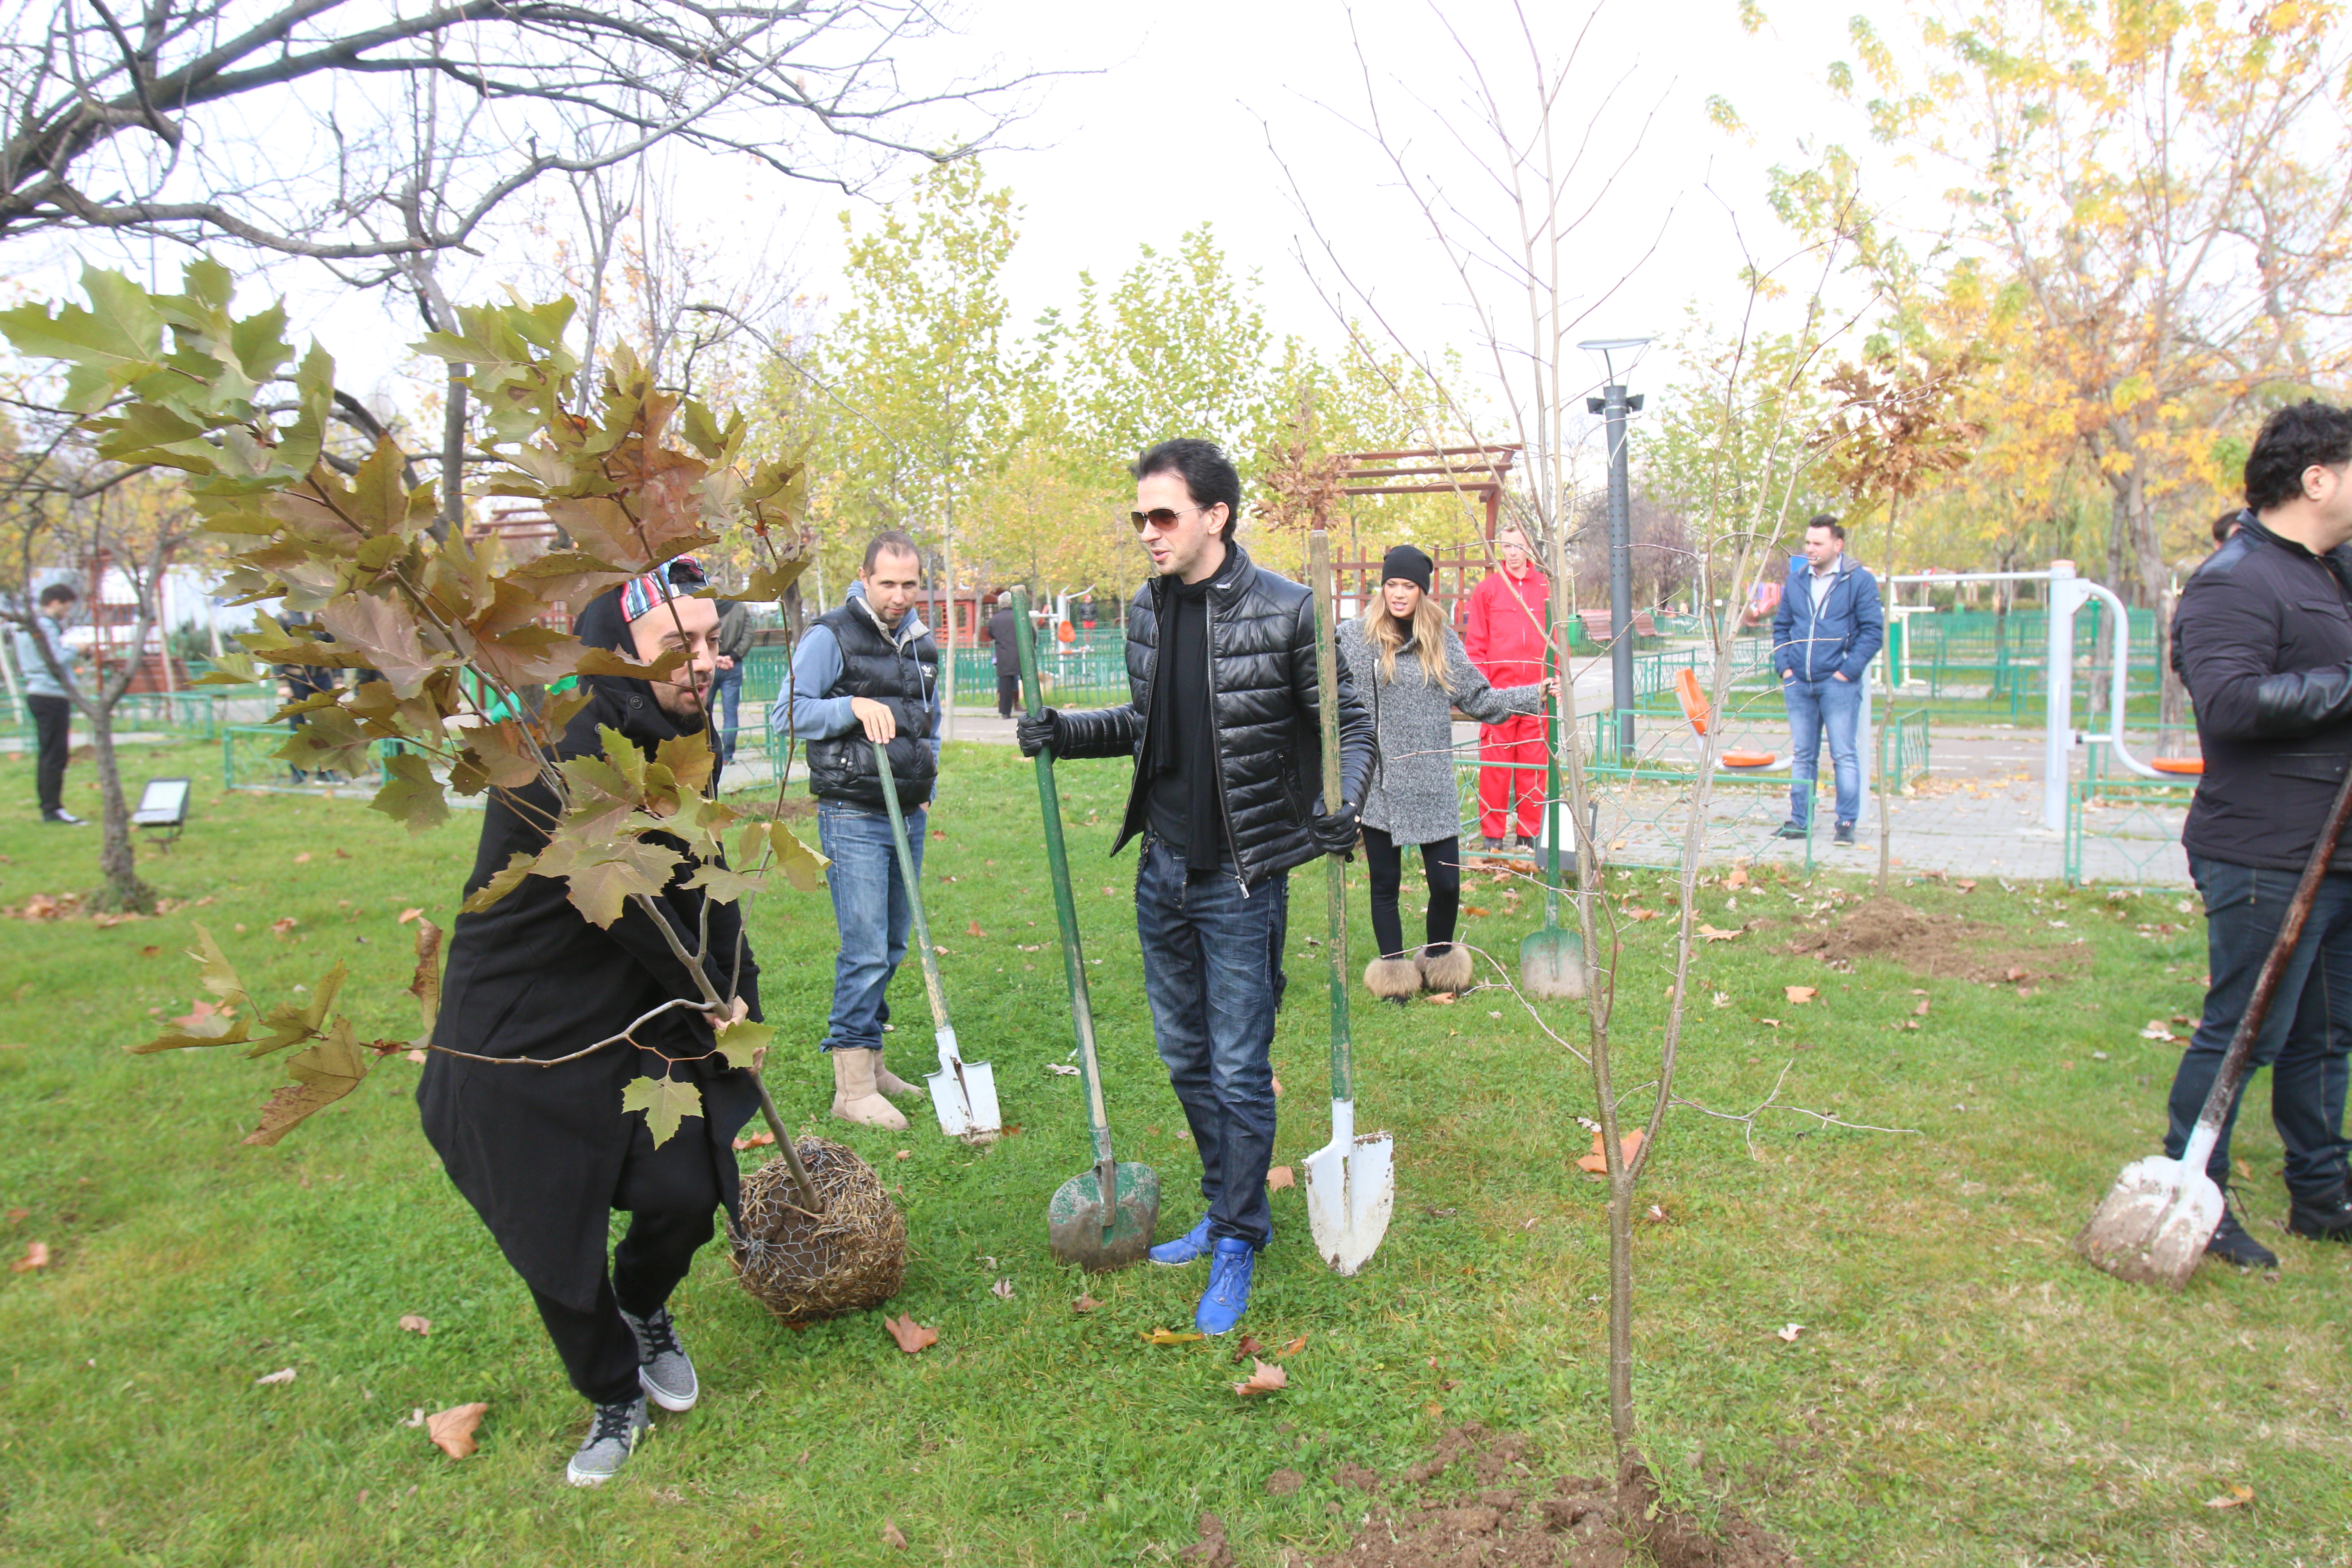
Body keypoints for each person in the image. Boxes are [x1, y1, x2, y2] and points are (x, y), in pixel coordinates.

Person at [1017, 438, 1373, 1336]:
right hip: (1162, 869)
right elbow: (1147, 726)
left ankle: (1241, 1237)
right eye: (1139, 517)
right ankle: (1225, 1207)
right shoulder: (1146, 611)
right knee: (1184, 1057)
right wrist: (1064, 729)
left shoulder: (1289, 612)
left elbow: (1350, 724)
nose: (1148, 532)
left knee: (1238, 1067)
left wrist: (1344, 802)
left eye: (1164, 515)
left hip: (1244, 876)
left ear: (1215, 516)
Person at [418, 555, 761, 1486]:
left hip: (632, 1002)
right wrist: (714, 997)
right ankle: (613, 1390)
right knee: (549, 1223)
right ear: (618, 657)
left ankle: (644, 1305)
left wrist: (743, 993)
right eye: (677, 646)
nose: (704, 661)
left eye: (711, 640)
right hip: (520, 1015)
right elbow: (634, 893)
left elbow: (700, 874)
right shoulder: (565, 747)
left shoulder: (683, 728)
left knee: (686, 1190)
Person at [2160, 400, 2352, 1268]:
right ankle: (2194, 1190)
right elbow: (2233, 706)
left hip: (2336, 851)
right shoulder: (2235, 580)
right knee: (2242, 1032)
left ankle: (2322, 1191)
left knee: (2325, 1034)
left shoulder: (2330, 570)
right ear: (2318, 478)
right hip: (2264, 850)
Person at [770, 530, 941, 1132]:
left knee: (893, 943)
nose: (899, 595)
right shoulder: (831, 634)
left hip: (906, 811)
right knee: (865, 946)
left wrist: (929, 785)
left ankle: (872, 1062)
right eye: (887, 583)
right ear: (864, 578)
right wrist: (849, 708)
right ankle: (851, 1088)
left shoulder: (921, 642)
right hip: (854, 812)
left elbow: (928, 723)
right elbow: (786, 712)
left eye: (909, 583)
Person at [1340, 545, 1551, 1003]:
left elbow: (1479, 698)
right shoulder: (1356, 638)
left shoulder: (1441, 637)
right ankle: (1394, 977)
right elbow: (1327, 689)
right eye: (1391, 584)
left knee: (1447, 882)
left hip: (1432, 779)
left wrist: (1534, 695)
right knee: (1385, 883)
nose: (1398, 594)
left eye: (1408, 587)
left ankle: (1440, 963)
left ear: (1422, 591)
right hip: (1379, 782)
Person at [1770, 516, 1884, 847]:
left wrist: (1847, 672)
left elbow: (1872, 632)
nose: (1810, 549)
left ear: (1838, 545)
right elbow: (1781, 628)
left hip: (1839, 684)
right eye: (1807, 543)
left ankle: (1846, 823)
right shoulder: (1796, 582)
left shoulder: (1859, 581)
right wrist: (1786, 668)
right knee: (1804, 754)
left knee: (1844, 754)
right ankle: (1799, 822)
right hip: (1799, 684)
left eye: (1818, 543)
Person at [1462, 524, 1550, 851]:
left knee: (1533, 766)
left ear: (1529, 548)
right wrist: (1484, 690)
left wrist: (1553, 681)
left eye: (1518, 546)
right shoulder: (1488, 590)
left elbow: (1557, 638)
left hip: (1537, 693)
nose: (1512, 553)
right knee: (1496, 769)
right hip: (1499, 697)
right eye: (1506, 546)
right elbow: (1477, 646)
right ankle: (1493, 839)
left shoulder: (1546, 588)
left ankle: (1528, 837)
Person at [13, 582, 83, 825]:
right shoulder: (45, 626)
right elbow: (55, 659)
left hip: (38, 693)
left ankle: (50, 807)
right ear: (55, 603)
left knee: (48, 754)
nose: (67, 614)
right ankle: (53, 809)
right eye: (66, 608)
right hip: (51, 694)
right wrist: (76, 649)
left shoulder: (24, 626)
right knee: (55, 755)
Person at [711, 597, 754, 769]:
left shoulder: (703, 606)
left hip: (709, 665)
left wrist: (714, 657)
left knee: (703, 712)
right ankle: (727, 756)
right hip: (732, 666)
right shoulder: (739, 608)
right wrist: (733, 656)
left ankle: (707, 753)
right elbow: (749, 635)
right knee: (730, 713)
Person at [986, 592, 1023, 718]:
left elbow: (991, 634)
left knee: (1005, 683)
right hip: (1022, 654)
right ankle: (1035, 708)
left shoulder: (995, 619)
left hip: (1004, 654)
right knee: (1028, 681)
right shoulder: (1020, 616)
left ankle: (1005, 712)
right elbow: (1032, 634)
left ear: (1000, 604)